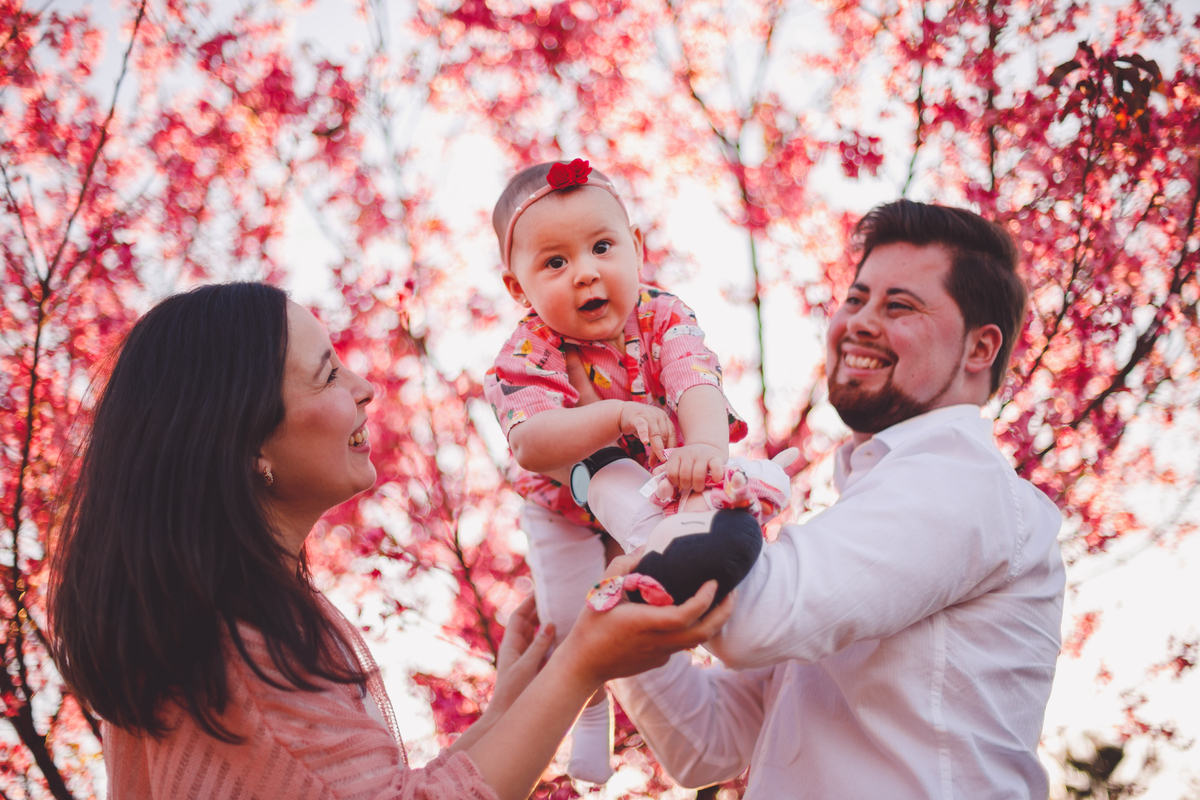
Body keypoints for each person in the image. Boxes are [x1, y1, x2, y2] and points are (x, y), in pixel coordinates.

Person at [47, 282, 732, 800]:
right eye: (327, 376)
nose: (365, 388)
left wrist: (509, 707)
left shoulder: (227, 617)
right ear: (245, 441)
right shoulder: (243, 645)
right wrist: (581, 662)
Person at [595, 200, 1067, 798]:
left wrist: (611, 485)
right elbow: (705, 743)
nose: (860, 322)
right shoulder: (868, 515)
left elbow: (750, 621)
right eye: (856, 298)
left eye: (899, 305)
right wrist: (611, 573)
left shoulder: (961, 481)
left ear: (980, 349)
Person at [483, 158, 762, 782]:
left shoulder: (663, 315)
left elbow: (697, 381)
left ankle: (704, 578)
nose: (585, 272)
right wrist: (613, 414)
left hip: (645, 491)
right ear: (519, 289)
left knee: (654, 551)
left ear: (636, 249)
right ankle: (585, 719)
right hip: (560, 508)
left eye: (602, 247)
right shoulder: (527, 352)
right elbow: (531, 443)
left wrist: (709, 450)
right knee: (567, 617)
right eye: (554, 263)